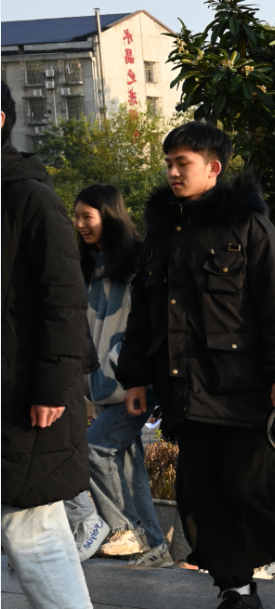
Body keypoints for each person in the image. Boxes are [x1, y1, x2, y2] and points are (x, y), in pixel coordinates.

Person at [118, 122, 275, 609]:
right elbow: (143, 313)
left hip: (242, 386)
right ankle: (238, 595)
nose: (172, 172)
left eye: (182, 163)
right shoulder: (163, 233)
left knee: (248, 487)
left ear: (213, 168)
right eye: (169, 163)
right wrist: (135, 377)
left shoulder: (249, 227)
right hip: (183, 389)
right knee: (201, 496)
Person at [2, 84, 110, 609]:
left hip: (30, 391)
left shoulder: (30, 197)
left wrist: (52, 387)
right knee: (28, 516)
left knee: (27, 518)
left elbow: (63, 303)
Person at [70, 184, 168, 568]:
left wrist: (126, 368)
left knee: (93, 449)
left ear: (109, 216)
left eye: (87, 216)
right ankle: (156, 546)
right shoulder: (86, 265)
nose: (79, 224)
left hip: (135, 379)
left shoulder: (138, 260)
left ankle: (124, 529)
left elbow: (146, 322)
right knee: (128, 463)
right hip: (102, 384)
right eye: (76, 216)